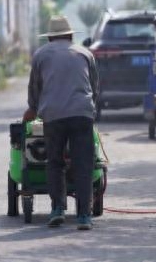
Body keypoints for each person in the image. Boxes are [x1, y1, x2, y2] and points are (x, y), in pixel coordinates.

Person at [23, 15, 99, 230]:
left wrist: (34, 108)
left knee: (55, 162)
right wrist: (90, 110)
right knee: (83, 165)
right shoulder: (85, 53)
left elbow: (35, 88)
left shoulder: (40, 55)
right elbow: (95, 87)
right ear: (71, 35)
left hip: (53, 116)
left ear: (49, 38)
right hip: (82, 114)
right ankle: (84, 215)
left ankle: (57, 209)